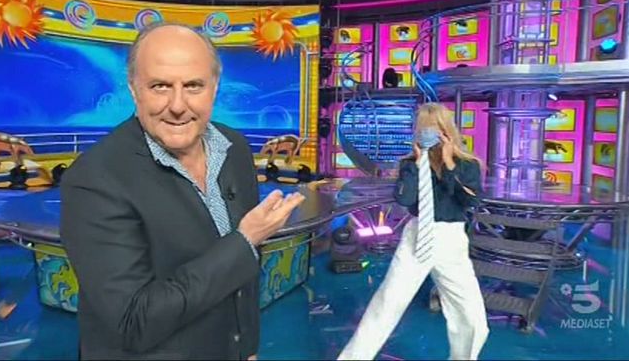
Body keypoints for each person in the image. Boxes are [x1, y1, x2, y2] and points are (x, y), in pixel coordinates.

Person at [60, 23, 305, 360]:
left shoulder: (234, 147)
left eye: (193, 86)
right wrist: (245, 240)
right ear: (133, 89)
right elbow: (134, 322)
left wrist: (246, 347)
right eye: (160, 86)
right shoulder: (94, 179)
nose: (177, 105)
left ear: (214, 88)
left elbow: (241, 284)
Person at [338, 102, 489, 360]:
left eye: (433, 128)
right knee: (387, 304)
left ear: (446, 130)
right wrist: (418, 166)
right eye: (422, 128)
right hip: (416, 236)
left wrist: (449, 163)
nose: (427, 133)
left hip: (450, 239)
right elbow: (404, 199)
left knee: (471, 316)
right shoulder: (410, 164)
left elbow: (470, 201)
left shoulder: (467, 164)